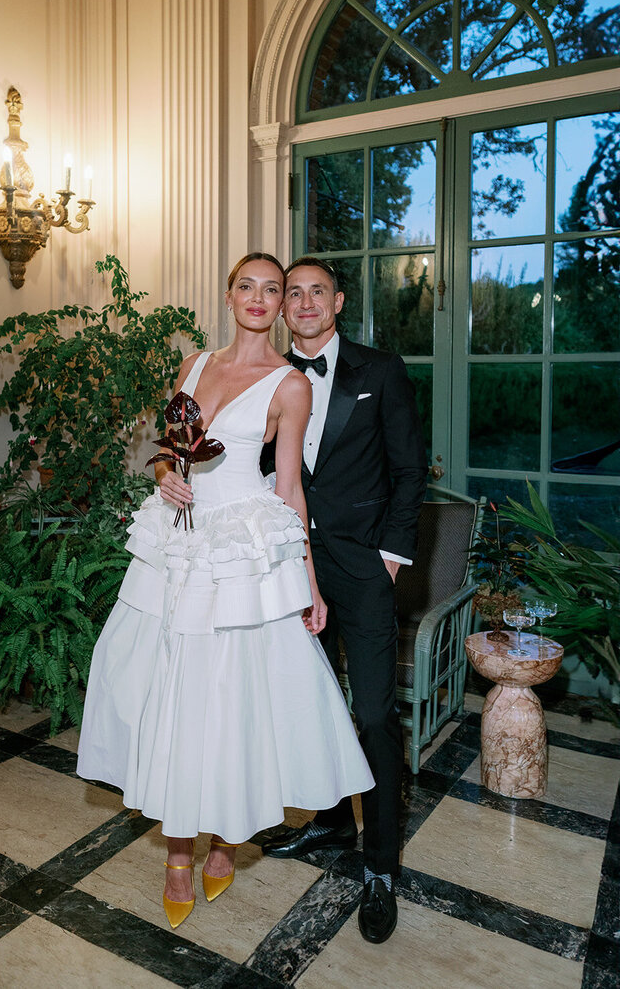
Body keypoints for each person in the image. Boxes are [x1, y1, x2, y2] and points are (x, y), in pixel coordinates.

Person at [77, 252, 373, 930]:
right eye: (249, 285)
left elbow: (290, 486)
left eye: (275, 290)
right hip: (178, 541)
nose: (261, 298)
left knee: (233, 693)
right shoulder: (194, 366)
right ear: (230, 293)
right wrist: (163, 476)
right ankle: (177, 852)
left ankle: (223, 842)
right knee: (174, 689)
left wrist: (307, 580)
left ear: (279, 306)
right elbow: (169, 451)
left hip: (241, 551)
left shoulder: (289, 385)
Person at [261, 256, 427, 945]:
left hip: (363, 570)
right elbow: (260, 468)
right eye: (291, 292)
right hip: (292, 566)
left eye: (315, 292)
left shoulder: (379, 370)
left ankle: (381, 865)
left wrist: (388, 559)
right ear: (281, 307)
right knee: (313, 704)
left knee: (371, 715)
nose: (302, 302)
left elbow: (409, 467)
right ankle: (329, 821)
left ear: (337, 302)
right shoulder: (268, 379)